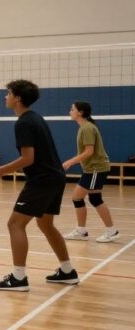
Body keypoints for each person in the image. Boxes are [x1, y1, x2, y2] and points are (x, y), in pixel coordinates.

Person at [0, 80, 79, 291]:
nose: (4, 97)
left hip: (42, 179)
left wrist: (0, 171)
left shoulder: (24, 122)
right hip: (54, 177)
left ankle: (18, 278)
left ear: (17, 98)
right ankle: (68, 271)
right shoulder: (35, 118)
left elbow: (28, 158)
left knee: (15, 224)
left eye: (7, 93)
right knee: (45, 224)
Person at [62, 101, 119, 243]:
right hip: (91, 169)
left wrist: (70, 162)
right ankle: (81, 231)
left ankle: (112, 231)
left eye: (72, 109)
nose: (70, 111)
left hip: (96, 169)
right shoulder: (84, 127)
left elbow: (89, 152)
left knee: (95, 198)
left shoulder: (87, 128)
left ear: (80, 112)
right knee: (77, 197)